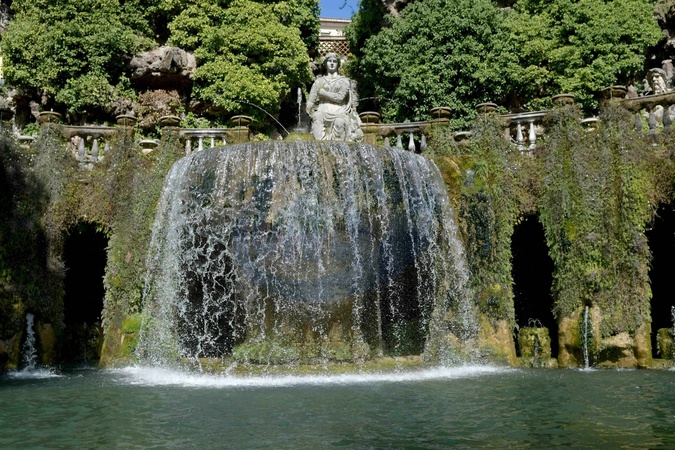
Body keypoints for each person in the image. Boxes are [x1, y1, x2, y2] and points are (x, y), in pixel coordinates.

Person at [306, 53, 363, 141]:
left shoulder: (344, 81)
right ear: (325, 64)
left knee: (339, 122)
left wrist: (324, 93)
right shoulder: (319, 81)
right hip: (322, 112)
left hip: (339, 113)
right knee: (317, 116)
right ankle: (321, 145)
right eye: (329, 61)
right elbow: (311, 100)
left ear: (338, 64)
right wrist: (307, 110)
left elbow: (340, 98)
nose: (332, 63)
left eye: (334, 61)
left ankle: (337, 147)